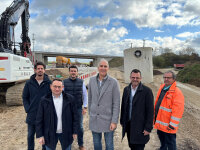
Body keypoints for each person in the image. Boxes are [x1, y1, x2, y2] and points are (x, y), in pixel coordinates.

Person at [36, 79, 78, 150]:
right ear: (50, 86)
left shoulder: (70, 99)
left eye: (59, 87)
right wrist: (40, 135)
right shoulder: (44, 100)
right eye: (55, 86)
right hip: (49, 133)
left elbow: (75, 117)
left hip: (66, 132)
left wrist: (75, 131)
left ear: (63, 87)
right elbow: (39, 118)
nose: (57, 89)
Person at [88, 59, 120, 150]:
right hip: (95, 118)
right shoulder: (92, 80)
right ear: (98, 68)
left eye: (105, 66)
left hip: (108, 120)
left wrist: (114, 121)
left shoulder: (113, 82)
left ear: (108, 68)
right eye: (101, 66)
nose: (103, 68)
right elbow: (90, 98)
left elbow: (116, 103)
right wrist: (91, 113)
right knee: (96, 143)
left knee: (109, 144)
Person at [120, 69, 154, 150]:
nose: (135, 79)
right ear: (130, 78)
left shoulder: (147, 91)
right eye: (133, 77)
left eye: (137, 78)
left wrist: (148, 127)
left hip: (140, 126)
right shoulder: (126, 90)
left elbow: (150, 111)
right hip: (129, 125)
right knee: (131, 145)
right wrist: (122, 121)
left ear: (141, 78)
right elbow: (123, 106)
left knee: (139, 147)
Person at [22, 61, 51, 150]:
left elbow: (52, 98)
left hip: (44, 115)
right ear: (35, 70)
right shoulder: (29, 83)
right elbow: (24, 97)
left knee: (44, 136)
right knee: (30, 135)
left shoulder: (49, 83)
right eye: (38, 69)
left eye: (42, 69)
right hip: (32, 114)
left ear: (44, 70)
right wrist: (28, 109)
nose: (40, 70)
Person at [154, 70, 184, 150]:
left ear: (174, 79)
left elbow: (178, 110)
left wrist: (172, 125)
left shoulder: (177, 92)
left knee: (171, 144)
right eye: (165, 77)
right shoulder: (162, 88)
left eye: (168, 78)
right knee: (162, 140)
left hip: (168, 126)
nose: (166, 79)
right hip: (160, 122)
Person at [63, 65, 88, 150]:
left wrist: (85, 107)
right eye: (71, 71)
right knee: (68, 126)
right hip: (67, 109)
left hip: (78, 108)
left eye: (74, 71)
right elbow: (61, 96)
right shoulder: (64, 82)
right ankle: (68, 144)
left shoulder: (81, 82)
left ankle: (80, 144)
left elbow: (85, 95)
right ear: (69, 72)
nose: (73, 72)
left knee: (80, 127)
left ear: (77, 72)